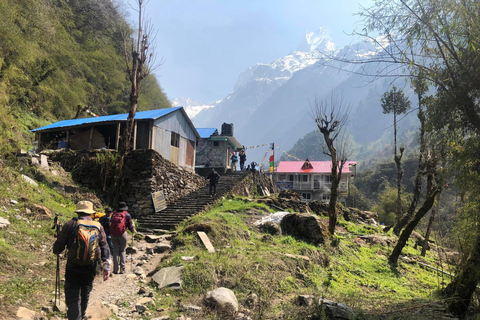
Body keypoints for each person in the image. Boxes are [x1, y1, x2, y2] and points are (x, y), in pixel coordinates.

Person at [53, 200, 110, 320]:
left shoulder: (70, 224)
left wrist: (57, 247)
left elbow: (58, 248)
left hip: (73, 265)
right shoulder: (98, 226)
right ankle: (82, 315)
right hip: (91, 266)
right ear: (91, 212)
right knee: (85, 292)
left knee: (73, 296)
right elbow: (104, 246)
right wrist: (106, 266)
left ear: (78, 211)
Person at [110, 202, 135, 274]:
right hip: (123, 234)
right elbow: (130, 226)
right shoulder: (127, 215)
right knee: (122, 250)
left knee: (115, 251)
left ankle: (115, 269)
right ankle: (122, 268)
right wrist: (132, 231)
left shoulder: (114, 215)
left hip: (113, 234)